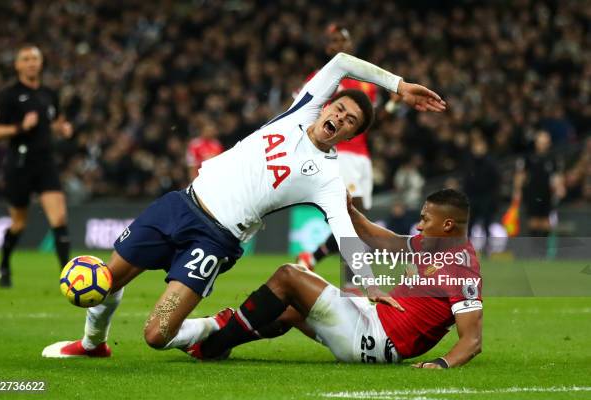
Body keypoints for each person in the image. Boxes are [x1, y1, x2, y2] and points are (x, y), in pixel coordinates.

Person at [42, 52, 446, 358]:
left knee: (157, 335)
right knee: (107, 279)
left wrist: (368, 282)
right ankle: (93, 344)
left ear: (349, 135)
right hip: (181, 205)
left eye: (350, 122)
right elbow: (341, 62)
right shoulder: (299, 111)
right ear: (325, 106)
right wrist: (397, 85)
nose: (340, 118)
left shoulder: (326, 178)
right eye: (339, 109)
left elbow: (344, 229)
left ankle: (210, 327)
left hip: (215, 241)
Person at [182, 189, 482, 368]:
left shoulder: (461, 268)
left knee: (290, 275)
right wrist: (349, 212)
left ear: (448, 225)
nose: (419, 226)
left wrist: (441, 364)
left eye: (425, 220)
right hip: (373, 317)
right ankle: (221, 341)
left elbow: (472, 339)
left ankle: (213, 343)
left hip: (378, 340)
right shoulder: (434, 246)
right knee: (288, 309)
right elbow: (385, 241)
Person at [0, 45, 73, 287]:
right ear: (17, 65)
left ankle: (68, 276)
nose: (31, 63)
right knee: (19, 224)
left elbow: (54, 121)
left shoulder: (48, 94)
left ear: (41, 63)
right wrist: (19, 127)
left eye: (35, 58)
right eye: (26, 59)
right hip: (19, 165)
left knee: (59, 219)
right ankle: (3, 265)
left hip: (45, 163)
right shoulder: (9, 96)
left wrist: (61, 128)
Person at [296, 24, 378, 271]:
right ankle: (352, 281)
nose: (340, 45)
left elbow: (371, 121)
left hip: (362, 156)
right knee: (354, 217)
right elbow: (303, 111)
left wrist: (393, 107)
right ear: (328, 48)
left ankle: (313, 258)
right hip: (341, 153)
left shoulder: (367, 82)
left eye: (344, 40)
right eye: (334, 41)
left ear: (350, 45)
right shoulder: (321, 78)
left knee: (360, 219)